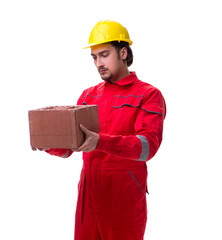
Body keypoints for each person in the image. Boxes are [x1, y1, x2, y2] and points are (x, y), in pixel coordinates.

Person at [38, 20, 166, 240]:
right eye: (94, 57)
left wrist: (100, 142)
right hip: (88, 198)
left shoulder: (148, 94)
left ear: (123, 52)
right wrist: (48, 144)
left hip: (123, 198)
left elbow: (147, 147)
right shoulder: (89, 96)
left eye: (104, 55)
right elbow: (72, 146)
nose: (98, 63)